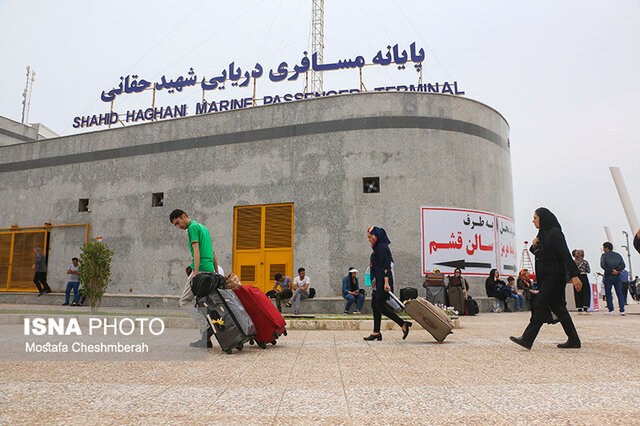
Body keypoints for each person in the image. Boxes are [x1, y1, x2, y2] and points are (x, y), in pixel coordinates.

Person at [510, 208, 582, 350]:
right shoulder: (543, 234)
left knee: (540, 305)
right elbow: (541, 252)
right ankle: (574, 340)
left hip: (554, 277)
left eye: (535, 218)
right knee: (559, 308)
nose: (533, 221)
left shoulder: (555, 233)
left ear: (543, 218)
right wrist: (535, 244)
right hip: (546, 278)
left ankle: (527, 338)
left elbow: (565, 254)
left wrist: (574, 276)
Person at [170, 209, 219, 348]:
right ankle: (206, 341)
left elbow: (196, 250)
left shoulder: (192, 228)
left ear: (184, 216)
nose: (178, 227)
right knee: (201, 303)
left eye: (178, 223)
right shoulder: (203, 228)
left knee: (184, 301)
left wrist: (195, 272)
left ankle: (206, 328)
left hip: (201, 269)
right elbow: (213, 252)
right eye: (175, 225)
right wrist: (216, 272)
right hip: (210, 270)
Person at [363, 226, 411, 341]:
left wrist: (386, 282)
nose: (369, 239)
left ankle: (402, 324)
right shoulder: (377, 248)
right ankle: (376, 332)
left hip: (383, 281)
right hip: (377, 281)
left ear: (376, 236)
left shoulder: (382, 247)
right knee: (374, 305)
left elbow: (386, 266)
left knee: (380, 306)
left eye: (370, 237)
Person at [600, 242, 626, 315]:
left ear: (606, 248)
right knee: (619, 293)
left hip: (608, 276)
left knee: (608, 293)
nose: (603, 249)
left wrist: (611, 271)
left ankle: (611, 310)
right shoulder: (618, 255)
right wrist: (617, 270)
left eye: (604, 247)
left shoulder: (604, 255)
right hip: (617, 276)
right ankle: (622, 310)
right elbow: (623, 265)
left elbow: (603, 265)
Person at [572, 249, 591, 314]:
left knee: (577, 291)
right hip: (584, 276)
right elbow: (588, 270)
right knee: (586, 292)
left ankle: (579, 308)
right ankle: (585, 308)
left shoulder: (573, 262)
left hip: (576, 277)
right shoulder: (585, 262)